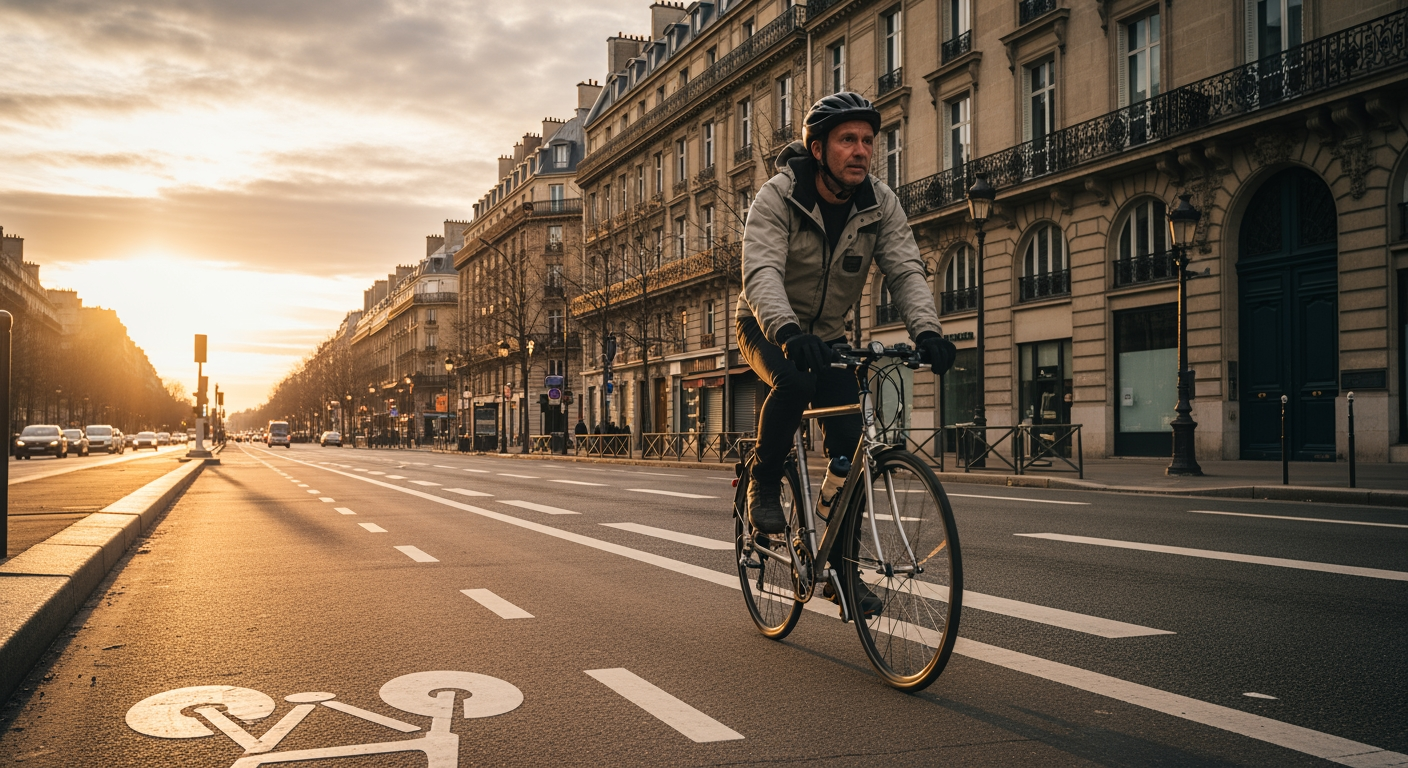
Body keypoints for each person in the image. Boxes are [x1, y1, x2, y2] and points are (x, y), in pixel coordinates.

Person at [736, 93, 958, 615]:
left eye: (867, 140)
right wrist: (787, 330)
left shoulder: (879, 202)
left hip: (831, 335)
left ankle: (840, 570)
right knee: (794, 382)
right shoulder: (778, 196)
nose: (861, 150)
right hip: (766, 325)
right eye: (847, 140)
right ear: (818, 149)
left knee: (852, 452)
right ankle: (764, 482)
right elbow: (762, 271)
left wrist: (928, 332)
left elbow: (905, 269)